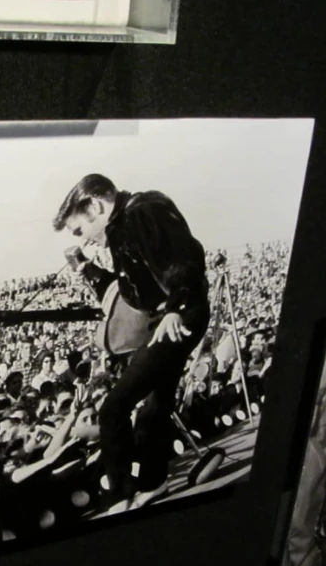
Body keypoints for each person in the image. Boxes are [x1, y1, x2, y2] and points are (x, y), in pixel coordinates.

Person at [53, 173, 210, 511]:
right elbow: (132, 292)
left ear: (95, 205)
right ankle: (154, 483)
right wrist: (87, 269)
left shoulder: (143, 211)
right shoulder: (124, 226)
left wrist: (175, 308)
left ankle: (121, 496)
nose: (82, 239)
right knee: (155, 407)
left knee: (113, 408)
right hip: (166, 318)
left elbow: (184, 260)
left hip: (177, 318)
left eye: (79, 229)